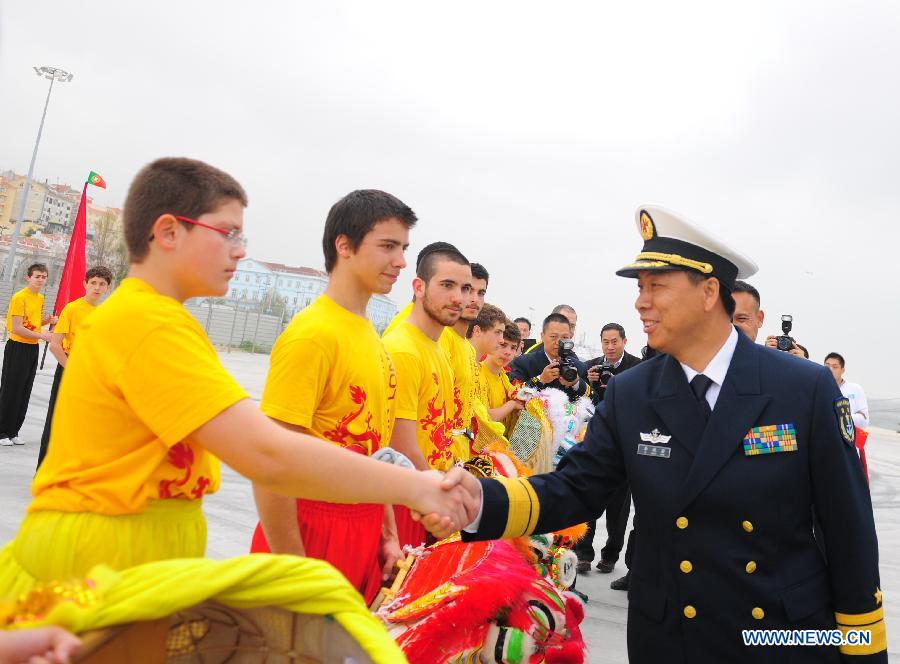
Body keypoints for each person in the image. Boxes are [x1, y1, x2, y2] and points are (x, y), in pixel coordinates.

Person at [3, 158, 469, 611]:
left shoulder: (161, 320)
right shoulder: (147, 325)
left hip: (129, 560)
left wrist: (389, 515)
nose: (241, 250)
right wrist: (415, 488)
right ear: (167, 232)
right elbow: (268, 452)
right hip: (95, 568)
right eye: (227, 234)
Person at [449, 205, 886, 662]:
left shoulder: (802, 388)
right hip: (672, 636)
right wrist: (475, 500)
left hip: (778, 636)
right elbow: (575, 489)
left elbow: (847, 527)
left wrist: (863, 645)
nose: (641, 301)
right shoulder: (632, 393)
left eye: (656, 286)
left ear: (709, 292)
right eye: (640, 288)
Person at [249, 190, 416, 604]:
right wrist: (294, 568)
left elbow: (375, 450)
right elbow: (270, 463)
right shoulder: (313, 335)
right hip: (311, 530)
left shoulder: (368, 334)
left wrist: (388, 534)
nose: (400, 261)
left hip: (364, 526)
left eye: (404, 248)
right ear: (344, 245)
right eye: (388, 246)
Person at [383, 245, 469, 547]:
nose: (459, 297)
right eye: (447, 285)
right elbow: (402, 446)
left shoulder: (436, 346)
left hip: (432, 497)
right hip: (410, 503)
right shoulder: (403, 350)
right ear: (419, 287)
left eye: (465, 288)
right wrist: (448, 496)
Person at [579, 323, 641, 575]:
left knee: (619, 505)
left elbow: (642, 400)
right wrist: (587, 381)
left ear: (625, 341)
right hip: (595, 440)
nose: (610, 347)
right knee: (588, 498)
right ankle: (583, 553)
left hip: (625, 444)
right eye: (606, 341)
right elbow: (580, 399)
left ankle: (610, 555)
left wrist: (620, 384)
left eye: (615, 341)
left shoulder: (637, 367)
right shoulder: (591, 366)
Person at [37, 266, 113, 467]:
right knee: (57, 421)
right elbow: (55, 345)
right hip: (68, 369)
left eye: (102, 284)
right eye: (93, 283)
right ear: (85, 284)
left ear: (108, 287)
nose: (97, 287)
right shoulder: (72, 308)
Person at [0, 263, 56, 447]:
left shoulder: (40, 298)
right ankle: (2, 431)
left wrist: (46, 321)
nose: (41, 279)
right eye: (37, 276)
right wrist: (42, 335)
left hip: (32, 348)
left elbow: (31, 323)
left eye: (44, 276)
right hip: (17, 347)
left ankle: (14, 430)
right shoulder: (19, 297)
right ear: (28, 277)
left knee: (24, 390)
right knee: (11, 390)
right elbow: (16, 327)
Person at [508, 312, 590, 401]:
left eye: (565, 337)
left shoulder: (579, 367)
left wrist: (576, 383)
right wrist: (541, 379)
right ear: (542, 336)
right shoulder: (524, 363)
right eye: (553, 336)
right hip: (529, 415)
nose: (558, 342)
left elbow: (594, 401)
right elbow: (513, 395)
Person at [482, 321, 523, 434]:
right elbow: (486, 417)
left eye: (513, 347)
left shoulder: (504, 378)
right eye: (503, 345)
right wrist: (512, 404)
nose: (508, 352)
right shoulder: (477, 374)